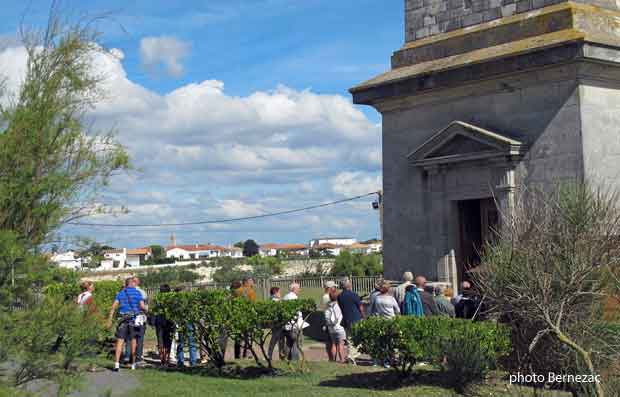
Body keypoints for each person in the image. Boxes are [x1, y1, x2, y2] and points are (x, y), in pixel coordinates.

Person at [107, 277, 146, 372]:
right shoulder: (137, 293)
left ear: (126, 284)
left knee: (120, 342)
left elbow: (113, 307)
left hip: (123, 320)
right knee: (133, 341)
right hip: (133, 320)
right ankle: (133, 364)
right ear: (132, 283)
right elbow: (142, 306)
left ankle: (116, 364)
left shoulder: (121, 293)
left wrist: (110, 319)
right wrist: (145, 310)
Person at [368, 282, 399, 368]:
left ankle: (381, 360)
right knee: (391, 342)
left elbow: (371, 309)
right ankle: (390, 360)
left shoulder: (377, 298)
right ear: (388, 289)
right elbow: (397, 310)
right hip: (391, 321)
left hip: (381, 321)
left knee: (382, 341)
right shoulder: (391, 299)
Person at [337, 279, 363, 364]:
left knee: (349, 339)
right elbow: (360, 307)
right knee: (359, 339)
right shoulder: (353, 295)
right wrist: (363, 316)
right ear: (348, 285)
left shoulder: (340, 296)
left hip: (346, 319)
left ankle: (351, 355)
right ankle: (352, 355)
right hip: (356, 319)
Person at [125, 276, 147, 365]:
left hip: (127, 316)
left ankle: (127, 356)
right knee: (139, 337)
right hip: (139, 316)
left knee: (129, 338)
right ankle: (138, 357)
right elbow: (143, 305)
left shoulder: (124, 291)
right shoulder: (140, 292)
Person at [174, 286, 198, 368]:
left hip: (183, 322)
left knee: (181, 342)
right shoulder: (188, 299)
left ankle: (181, 361)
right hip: (188, 321)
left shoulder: (176, 301)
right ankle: (192, 362)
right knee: (191, 343)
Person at [233, 277, 257, 359]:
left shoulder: (236, 291)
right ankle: (247, 355)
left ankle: (237, 356)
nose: (252, 283)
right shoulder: (251, 291)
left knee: (238, 337)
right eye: (251, 282)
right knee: (248, 337)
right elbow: (253, 305)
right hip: (247, 317)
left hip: (237, 317)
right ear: (246, 282)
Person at [153, 284, 174, 366]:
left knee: (160, 341)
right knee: (168, 341)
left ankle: (162, 360)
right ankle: (167, 359)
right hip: (169, 321)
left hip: (159, 321)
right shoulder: (171, 299)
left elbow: (153, 311)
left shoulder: (157, 300)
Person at [282, 283, 304, 361]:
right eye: (298, 288)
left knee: (289, 342)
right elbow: (297, 312)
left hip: (287, 324)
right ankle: (295, 359)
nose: (299, 290)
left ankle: (285, 358)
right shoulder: (294, 297)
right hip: (294, 324)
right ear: (294, 289)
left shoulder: (285, 296)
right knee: (296, 343)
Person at [324, 289, 346, 363]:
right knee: (340, 344)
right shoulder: (338, 305)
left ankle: (333, 360)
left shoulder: (328, 305)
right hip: (338, 327)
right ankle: (342, 360)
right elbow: (338, 316)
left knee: (333, 343)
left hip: (331, 328)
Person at [320, 281, 337, 360]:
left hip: (328, 320)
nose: (335, 288)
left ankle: (331, 358)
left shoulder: (325, 296)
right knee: (333, 342)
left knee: (330, 342)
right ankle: (332, 358)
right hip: (330, 321)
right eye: (334, 287)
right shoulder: (327, 297)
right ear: (329, 288)